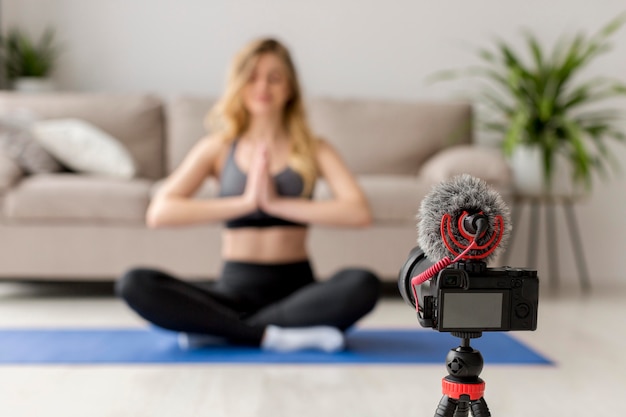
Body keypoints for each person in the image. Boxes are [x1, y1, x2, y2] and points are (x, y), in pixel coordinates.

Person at [115, 37, 380, 353]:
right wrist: (245, 203)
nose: (262, 86)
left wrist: (277, 204)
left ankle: (221, 328)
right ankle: (276, 335)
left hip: (299, 294)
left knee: (363, 283)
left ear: (290, 88)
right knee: (135, 283)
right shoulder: (218, 147)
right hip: (232, 291)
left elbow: (358, 212)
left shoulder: (315, 148)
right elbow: (160, 212)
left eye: (274, 77)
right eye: (252, 77)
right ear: (239, 85)